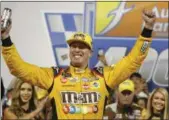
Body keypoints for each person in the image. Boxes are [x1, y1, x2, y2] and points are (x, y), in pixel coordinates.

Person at [1, 9, 156, 119]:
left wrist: (147, 30)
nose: (76, 49)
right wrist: (6, 39)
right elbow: (18, 69)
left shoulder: (104, 76)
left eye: (82, 46)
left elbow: (134, 60)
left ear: (90, 52)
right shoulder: (54, 76)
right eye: (73, 46)